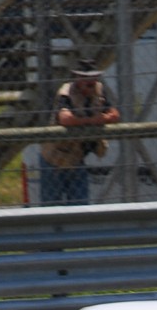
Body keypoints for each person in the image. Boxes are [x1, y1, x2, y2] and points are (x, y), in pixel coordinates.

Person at [39, 58, 119, 205]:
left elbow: (114, 115)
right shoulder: (66, 92)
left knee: (81, 204)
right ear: (77, 78)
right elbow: (65, 119)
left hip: (77, 158)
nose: (90, 82)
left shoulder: (99, 89)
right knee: (51, 207)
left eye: (93, 77)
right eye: (85, 78)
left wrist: (92, 120)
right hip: (55, 158)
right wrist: (93, 120)